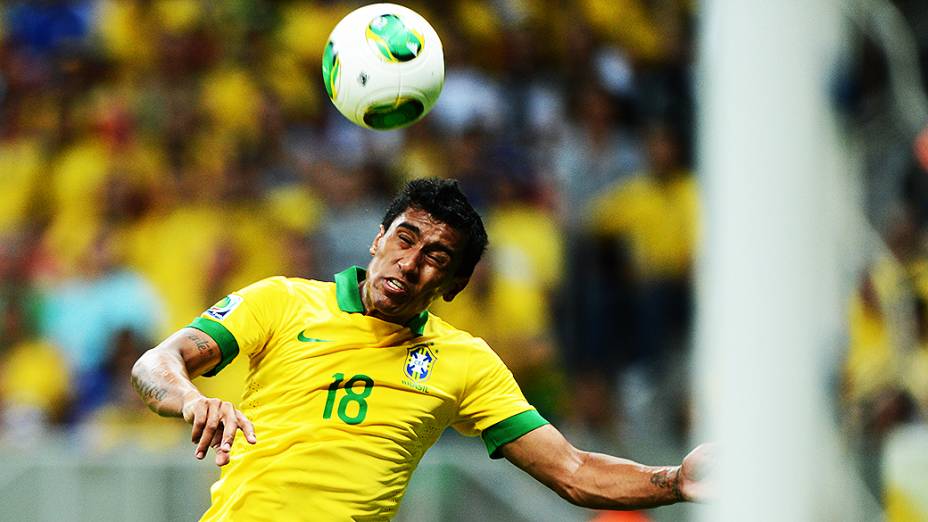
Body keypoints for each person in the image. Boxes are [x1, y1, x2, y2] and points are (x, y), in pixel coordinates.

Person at [131, 178, 712, 520]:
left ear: (454, 286)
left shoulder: (466, 362)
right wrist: (189, 399)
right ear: (377, 239)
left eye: (436, 256)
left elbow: (575, 470)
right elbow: (157, 362)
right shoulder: (281, 300)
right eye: (405, 239)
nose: (410, 264)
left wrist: (676, 482)